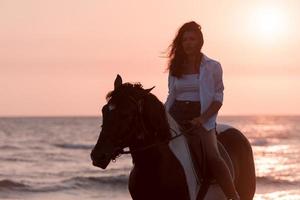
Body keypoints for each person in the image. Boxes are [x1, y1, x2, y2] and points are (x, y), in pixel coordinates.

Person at [164, 21, 240, 200]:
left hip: (202, 117)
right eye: (185, 40)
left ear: (199, 41)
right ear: (181, 43)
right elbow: (171, 95)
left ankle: (233, 196)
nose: (188, 43)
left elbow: (218, 98)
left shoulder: (212, 66)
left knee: (213, 156)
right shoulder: (175, 67)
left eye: (192, 39)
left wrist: (203, 118)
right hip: (177, 113)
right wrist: (163, 115)